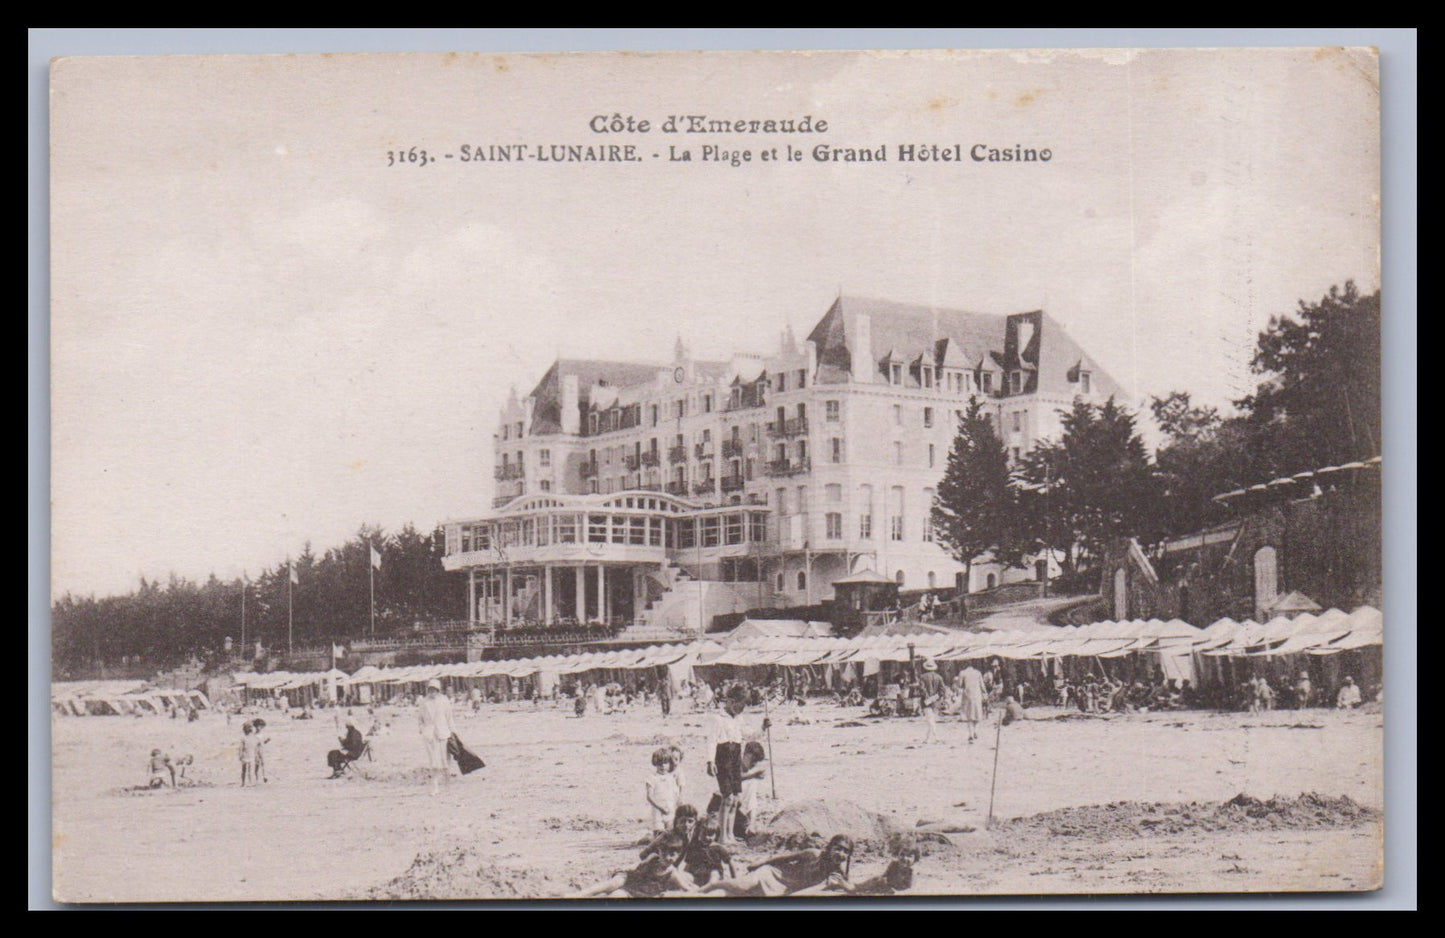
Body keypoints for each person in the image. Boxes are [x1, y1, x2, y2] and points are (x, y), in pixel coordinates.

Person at [707, 685, 768, 846]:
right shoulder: (718, 718)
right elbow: (712, 741)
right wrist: (710, 761)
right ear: (731, 701)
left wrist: (763, 728)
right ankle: (722, 836)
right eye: (739, 706)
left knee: (735, 798)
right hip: (723, 756)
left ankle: (730, 834)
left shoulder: (738, 719)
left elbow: (750, 735)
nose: (741, 711)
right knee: (726, 798)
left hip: (735, 756)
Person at [700, 834, 855, 897]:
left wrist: (846, 886)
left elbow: (852, 888)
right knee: (743, 885)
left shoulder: (837, 873)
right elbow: (784, 857)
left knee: (742, 895)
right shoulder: (814, 854)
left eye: (845, 852)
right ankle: (711, 886)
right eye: (838, 849)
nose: (841, 854)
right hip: (774, 874)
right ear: (830, 848)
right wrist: (760, 863)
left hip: (786, 888)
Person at [571, 834, 696, 898]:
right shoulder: (653, 858)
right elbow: (636, 868)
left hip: (639, 892)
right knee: (614, 884)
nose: (670, 858)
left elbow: (687, 888)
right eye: (666, 853)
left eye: (673, 854)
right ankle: (581, 894)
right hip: (630, 880)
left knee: (615, 896)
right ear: (659, 851)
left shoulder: (671, 873)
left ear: (678, 855)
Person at [641, 804, 735, 887]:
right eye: (682, 821)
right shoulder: (668, 835)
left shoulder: (695, 833)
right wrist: (656, 859)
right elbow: (643, 854)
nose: (686, 825)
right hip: (662, 867)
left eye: (690, 821)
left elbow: (709, 823)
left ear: (695, 822)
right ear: (676, 822)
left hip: (677, 868)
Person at [418, 678, 455, 795]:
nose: (432, 692)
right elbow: (420, 719)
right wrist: (423, 730)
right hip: (430, 736)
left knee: (445, 762)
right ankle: (435, 788)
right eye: (430, 689)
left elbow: (449, 718)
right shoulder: (424, 702)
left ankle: (448, 787)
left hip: (443, 734)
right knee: (434, 763)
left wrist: (452, 732)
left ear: (438, 690)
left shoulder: (444, 701)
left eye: (434, 689)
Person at [735, 741, 768, 840]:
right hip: (721, 808)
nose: (753, 764)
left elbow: (752, 803)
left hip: (737, 813)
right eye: (753, 760)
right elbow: (733, 778)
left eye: (756, 762)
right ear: (746, 755)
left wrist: (752, 824)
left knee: (748, 830)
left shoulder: (751, 778)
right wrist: (753, 775)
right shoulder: (733, 763)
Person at [646, 747, 680, 833]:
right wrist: (660, 808)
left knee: (671, 833)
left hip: (670, 810)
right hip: (658, 811)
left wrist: (677, 805)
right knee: (659, 833)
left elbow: (676, 794)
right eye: (659, 763)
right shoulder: (652, 777)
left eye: (665, 763)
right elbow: (649, 796)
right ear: (655, 763)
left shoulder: (671, 777)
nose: (663, 766)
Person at [918, 659, 948, 744]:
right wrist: (936, 697)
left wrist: (928, 698)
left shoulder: (922, 677)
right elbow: (943, 690)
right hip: (936, 702)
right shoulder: (939, 677)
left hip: (926, 702)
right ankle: (928, 738)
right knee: (932, 719)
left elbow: (922, 689)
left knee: (930, 720)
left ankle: (935, 737)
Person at [957, 662, 984, 742]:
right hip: (977, 695)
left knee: (969, 716)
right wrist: (985, 693)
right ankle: (976, 731)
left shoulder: (962, 673)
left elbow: (959, 685)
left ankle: (971, 734)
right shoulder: (978, 672)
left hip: (968, 695)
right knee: (977, 714)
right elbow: (982, 685)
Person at [239, 722, 259, 787]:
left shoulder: (250, 737)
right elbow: (241, 748)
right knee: (247, 770)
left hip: (249, 755)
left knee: (247, 770)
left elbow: (255, 747)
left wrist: (240, 755)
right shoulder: (250, 737)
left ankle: (247, 782)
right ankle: (246, 782)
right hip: (248, 755)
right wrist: (240, 755)